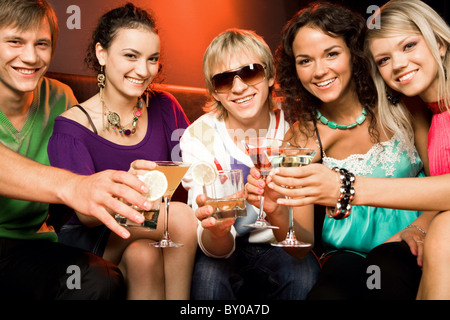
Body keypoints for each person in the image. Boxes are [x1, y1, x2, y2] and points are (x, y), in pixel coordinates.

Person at [247, 2, 434, 299]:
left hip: (414, 240)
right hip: (349, 253)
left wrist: (422, 227)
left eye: (332, 54)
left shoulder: (402, 102)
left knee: (386, 275)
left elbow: (442, 181)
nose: (319, 71)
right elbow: (301, 248)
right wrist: (275, 213)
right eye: (305, 61)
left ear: (354, 53)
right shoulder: (302, 137)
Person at [47, 3, 197, 300]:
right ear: (102, 54)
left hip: (141, 235)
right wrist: (122, 188)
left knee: (144, 257)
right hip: (90, 241)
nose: (143, 71)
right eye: (131, 56)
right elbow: (86, 215)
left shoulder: (165, 107)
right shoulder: (72, 127)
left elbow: (194, 167)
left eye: (152, 59)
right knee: (179, 217)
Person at [0, 0, 142, 299]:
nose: (30, 56)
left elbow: (92, 160)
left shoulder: (59, 97)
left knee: (98, 279)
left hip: (28, 248)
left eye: (41, 43)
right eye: (14, 41)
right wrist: (71, 186)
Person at [180, 28, 320, 300]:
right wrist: (218, 231)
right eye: (223, 80)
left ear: (270, 76)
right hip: (226, 248)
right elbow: (215, 247)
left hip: (279, 245)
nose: (239, 87)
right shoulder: (199, 138)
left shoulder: (296, 127)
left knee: (303, 273)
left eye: (251, 72)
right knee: (209, 277)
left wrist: (276, 210)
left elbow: (300, 242)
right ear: (214, 92)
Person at [365, 0, 450, 300]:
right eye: (384, 60)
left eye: (409, 45)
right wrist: (420, 226)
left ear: (439, 44)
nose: (398, 64)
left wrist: (347, 188)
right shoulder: (431, 113)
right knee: (381, 263)